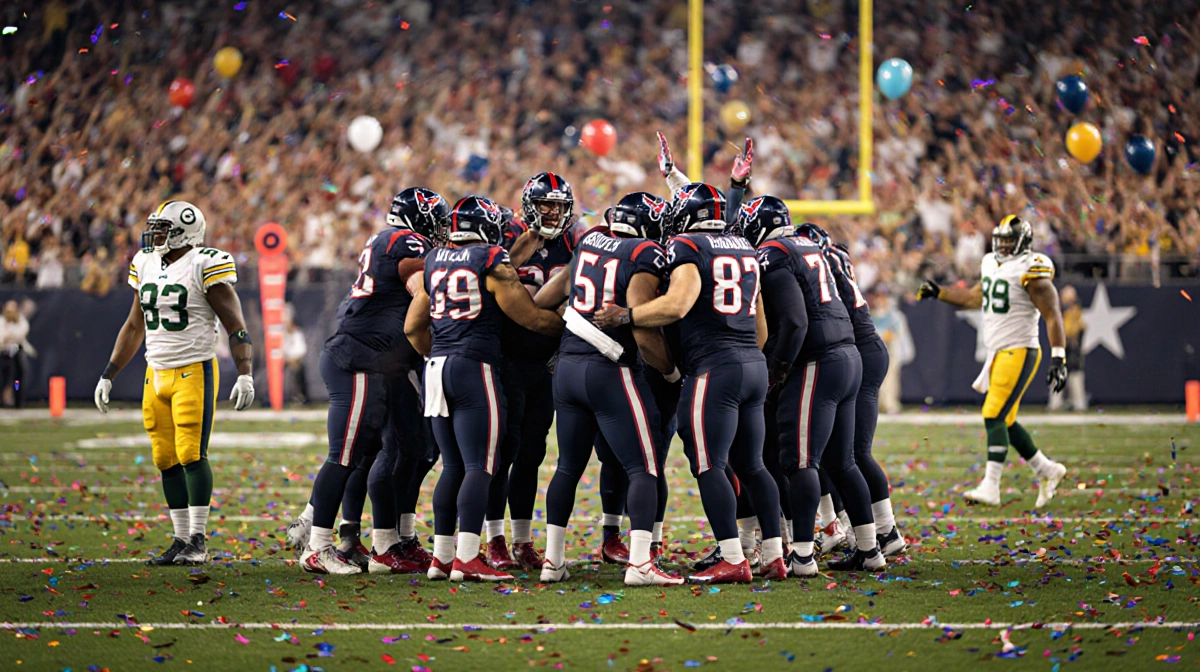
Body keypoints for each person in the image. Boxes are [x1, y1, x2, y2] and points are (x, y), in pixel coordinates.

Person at [595, 183, 786, 584]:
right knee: (752, 465)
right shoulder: (744, 247)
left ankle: (732, 558)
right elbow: (762, 328)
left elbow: (677, 304)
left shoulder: (688, 246)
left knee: (709, 463)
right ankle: (774, 554)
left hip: (714, 369)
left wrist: (626, 315)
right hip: (752, 364)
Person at [405, 195, 564, 582]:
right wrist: (572, 326)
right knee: (481, 466)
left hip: (436, 366)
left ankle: (442, 558)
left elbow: (412, 327)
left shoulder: (435, 260)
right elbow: (530, 317)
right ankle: (467, 559)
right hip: (474, 367)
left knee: (453, 466)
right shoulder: (490, 258)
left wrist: (438, 352)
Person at [532, 192, 683, 586]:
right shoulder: (643, 253)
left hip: (568, 367)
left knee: (568, 467)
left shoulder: (590, 240)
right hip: (610, 367)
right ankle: (641, 564)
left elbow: (545, 297)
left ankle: (553, 561)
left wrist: (576, 312)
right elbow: (643, 332)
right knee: (644, 468)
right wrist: (670, 373)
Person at [94, 201, 256, 566]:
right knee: (164, 457)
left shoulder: (203, 263)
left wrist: (245, 372)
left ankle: (198, 539)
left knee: (190, 454)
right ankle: (180, 538)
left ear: (186, 231)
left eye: (163, 228)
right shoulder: (145, 262)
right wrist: (108, 373)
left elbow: (235, 324)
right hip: (156, 372)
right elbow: (134, 325)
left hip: (193, 369)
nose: (155, 234)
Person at [297, 188, 442, 575]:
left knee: (400, 447)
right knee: (348, 454)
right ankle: (317, 545)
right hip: (361, 358)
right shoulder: (405, 243)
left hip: (379, 362)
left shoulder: (390, 241)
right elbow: (419, 288)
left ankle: (373, 538)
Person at [741, 198, 885, 575]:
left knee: (800, 461)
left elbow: (795, 322)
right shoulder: (808, 245)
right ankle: (871, 550)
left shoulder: (773, 253)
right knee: (842, 462)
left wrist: (777, 370)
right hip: (847, 355)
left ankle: (803, 555)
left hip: (816, 361)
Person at [918, 215, 1069, 508]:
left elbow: (1052, 314)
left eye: (1009, 241)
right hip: (999, 351)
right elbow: (974, 298)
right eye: (1001, 241)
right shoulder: (990, 262)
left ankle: (991, 485)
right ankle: (1046, 469)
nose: (1003, 246)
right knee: (1006, 420)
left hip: (1020, 348)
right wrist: (941, 293)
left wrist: (1059, 357)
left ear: (1023, 243)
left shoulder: (1031, 268)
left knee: (993, 413)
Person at [486, 173, 578, 573]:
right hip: (505, 357)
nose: (553, 212)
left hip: (544, 361)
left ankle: (522, 541)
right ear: (530, 206)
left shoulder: (573, 242)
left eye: (559, 205)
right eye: (546, 204)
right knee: (500, 452)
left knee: (531, 454)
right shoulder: (506, 235)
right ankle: (493, 539)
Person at [1048, 285, 1087, 412]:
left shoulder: (1075, 311)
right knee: (1057, 372)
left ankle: (1079, 403)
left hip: (1072, 346)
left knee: (1075, 375)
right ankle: (1055, 403)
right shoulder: (1058, 310)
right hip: (1060, 346)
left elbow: (1075, 329)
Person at [0, 300, 34, 408]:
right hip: (3, 352)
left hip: (16, 351)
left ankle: (17, 399)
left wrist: (9, 336)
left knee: (17, 379)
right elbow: (2, 337)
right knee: (4, 377)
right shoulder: (2, 321)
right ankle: (2, 400)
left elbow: (20, 334)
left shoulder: (21, 321)